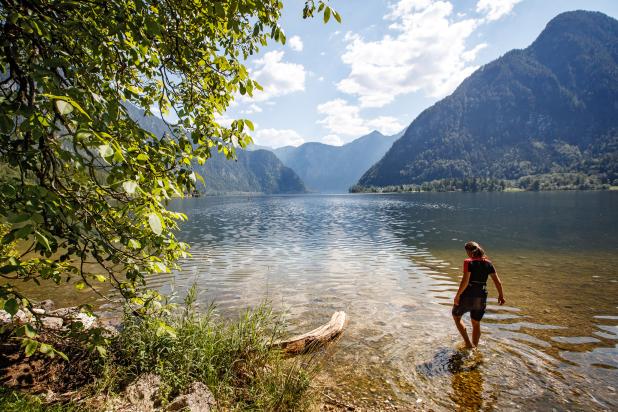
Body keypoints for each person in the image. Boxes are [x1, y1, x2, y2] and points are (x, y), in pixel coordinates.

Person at [452, 241, 505, 348]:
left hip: (468, 294)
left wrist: (457, 295)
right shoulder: (488, 263)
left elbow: (465, 281)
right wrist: (501, 296)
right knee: (476, 322)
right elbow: (497, 282)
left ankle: (467, 343)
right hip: (481, 295)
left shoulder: (468, 262)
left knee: (456, 316)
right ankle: (474, 347)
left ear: (468, 251)